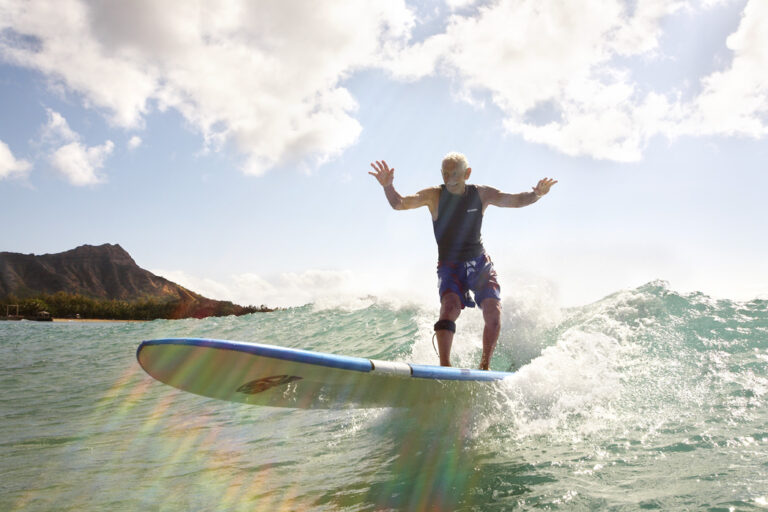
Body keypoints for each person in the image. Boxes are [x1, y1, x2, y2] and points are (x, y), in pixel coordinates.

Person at [368, 152, 556, 370]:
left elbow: (514, 200)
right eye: (445, 173)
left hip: (479, 263)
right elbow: (400, 203)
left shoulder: (481, 194)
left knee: (493, 312)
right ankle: (445, 366)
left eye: (455, 173)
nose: (449, 178)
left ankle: (484, 367)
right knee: (449, 308)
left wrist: (537, 194)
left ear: (467, 173)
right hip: (450, 266)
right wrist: (388, 186)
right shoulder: (434, 196)